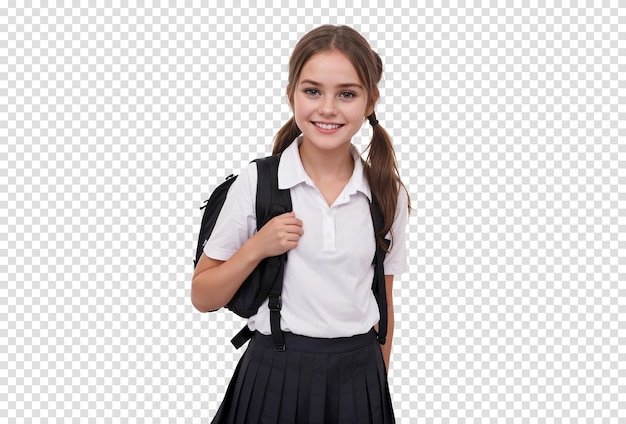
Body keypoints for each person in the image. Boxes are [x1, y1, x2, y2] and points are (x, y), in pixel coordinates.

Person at [192, 24, 410, 424]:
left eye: (347, 93)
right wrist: (257, 246)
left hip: (359, 377)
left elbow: (384, 305)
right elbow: (203, 296)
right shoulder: (258, 182)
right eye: (312, 91)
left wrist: (375, 388)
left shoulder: (385, 192)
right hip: (274, 376)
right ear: (291, 94)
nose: (328, 108)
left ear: (370, 101)